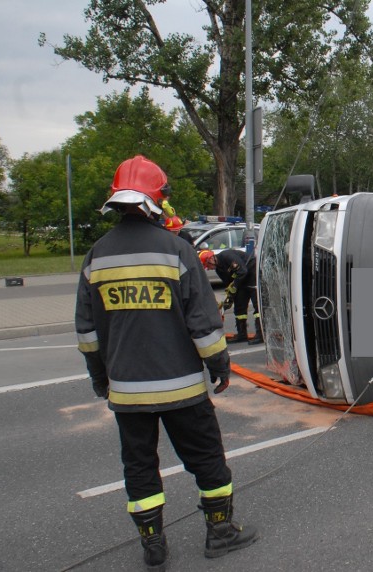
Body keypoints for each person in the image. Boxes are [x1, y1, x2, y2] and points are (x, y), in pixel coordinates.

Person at [75, 155, 257, 570]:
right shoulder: (176, 251)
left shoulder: (96, 257)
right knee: (207, 458)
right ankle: (220, 533)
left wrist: (101, 379)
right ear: (159, 200)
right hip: (183, 390)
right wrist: (220, 367)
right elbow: (204, 324)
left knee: (139, 468)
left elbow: (87, 332)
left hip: (126, 391)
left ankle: (153, 547)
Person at [199, 248, 262, 344]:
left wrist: (234, 286)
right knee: (239, 306)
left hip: (252, 275)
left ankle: (260, 335)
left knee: (258, 306)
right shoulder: (219, 270)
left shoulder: (226, 256)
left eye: (207, 265)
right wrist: (229, 298)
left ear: (211, 259)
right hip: (241, 281)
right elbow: (229, 284)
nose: (208, 268)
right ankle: (242, 334)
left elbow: (242, 271)